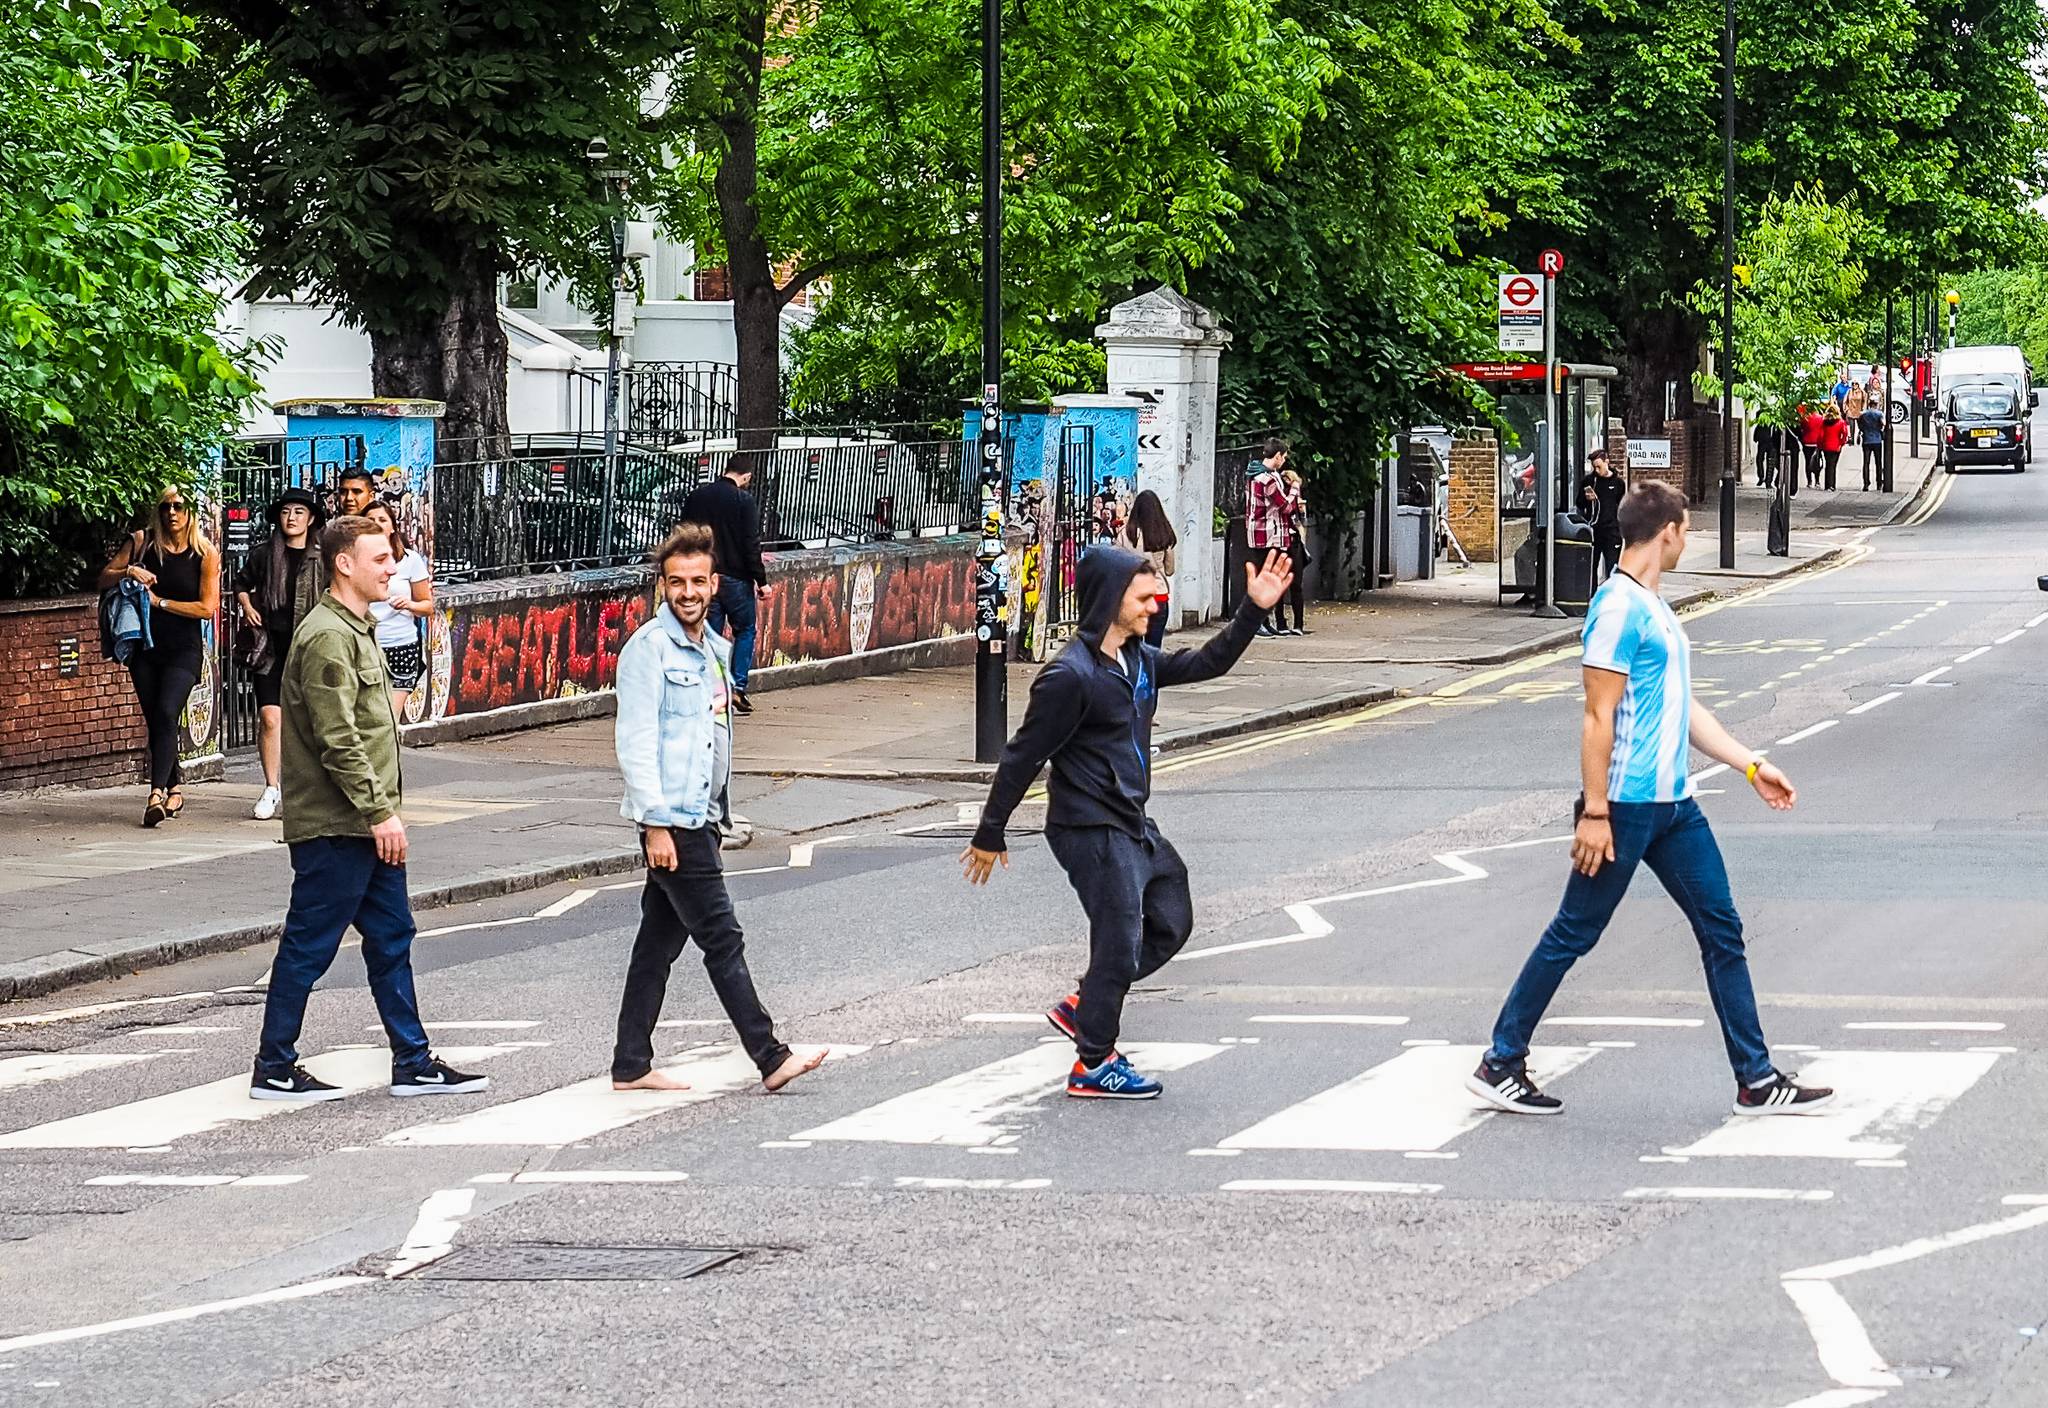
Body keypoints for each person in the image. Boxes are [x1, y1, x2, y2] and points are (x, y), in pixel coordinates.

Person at [1465, 481, 1833, 1118]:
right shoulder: (1617, 609)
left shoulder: (1655, 607)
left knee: (1723, 930)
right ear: (1666, 531)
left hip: (1675, 807)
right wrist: (1595, 811)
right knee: (1574, 932)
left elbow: (1681, 709)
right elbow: (1596, 717)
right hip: (1629, 806)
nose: (1687, 541)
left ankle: (1756, 1079)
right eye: (1686, 531)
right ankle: (1501, 1060)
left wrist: (1750, 765)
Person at [960, 545, 1297, 1100]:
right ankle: (1094, 1061)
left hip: (1132, 821)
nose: (1154, 604)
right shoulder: (1070, 677)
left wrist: (1253, 610)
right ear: (1112, 599)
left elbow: (1209, 662)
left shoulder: (1139, 660)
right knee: (1119, 940)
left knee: (1172, 915)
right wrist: (989, 832)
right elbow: (1023, 754)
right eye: (1143, 596)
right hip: (1088, 826)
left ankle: (1088, 1003)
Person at [250, 515, 488, 1102]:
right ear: (344, 564)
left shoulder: (357, 628)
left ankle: (413, 1061)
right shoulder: (328, 636)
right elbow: (339, 739)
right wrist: (381, 813)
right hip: (340, 826)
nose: (392, 568)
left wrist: (380, 815)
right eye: (380, 559)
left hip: (364, 823)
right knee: (309, 946)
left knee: (391, 937)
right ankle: (273, 1067)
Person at [610, 523, 825, 1095]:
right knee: (721, 937)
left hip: (700, 816)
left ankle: (630, 1063)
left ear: (714, 584)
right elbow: (635, 743)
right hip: (674, 822)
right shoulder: (647, 652)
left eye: (697, 581)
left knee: (658, 942)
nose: (687, 591)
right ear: (661, 586)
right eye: (676, 582)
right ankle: (770, 1054)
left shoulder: (712, 649)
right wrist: (654, 825)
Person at [98, 487, 220, 828]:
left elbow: (206, 608)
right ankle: (175, 787)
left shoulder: (205, 553)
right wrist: (128, 572)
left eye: (179, 506)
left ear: (190, 511)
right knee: (157, 718)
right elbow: (103, 578)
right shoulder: (142, 542)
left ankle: (155, 795)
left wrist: (159, 603)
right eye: (165, 506)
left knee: (167, 710)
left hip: (184, 648)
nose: (172, 513)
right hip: (145, 647)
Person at [234, 487, 325, 821]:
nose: (292, 518)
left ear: (310, 518)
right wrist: (246, 606)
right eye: (286, 512)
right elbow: (240, 584)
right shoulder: (264, 554)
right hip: (271, 649)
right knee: (271, 718)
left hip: (310, 649)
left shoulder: (322, 556)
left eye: (299, 512)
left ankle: (309, 789)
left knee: (309, 723)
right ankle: (272, 787)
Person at [680, 457, 770, 716]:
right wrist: (761, 582)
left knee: (712, 636)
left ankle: (712, 690)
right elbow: (750, 544)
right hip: (736, 578)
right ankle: (738, 686)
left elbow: (682, 534)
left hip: (705, 576)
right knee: (745, 630)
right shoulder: (743, 501)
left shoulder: (697, 497)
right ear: (747, 476)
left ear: (725, 469)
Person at [362, 500, 433, 718]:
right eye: (370, 520)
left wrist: (410, 604)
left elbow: (427, 606)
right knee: (368, 717)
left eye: (382, 520)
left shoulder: (409, 560)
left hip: (401, 645)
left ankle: (389, 752)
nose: (376, 524)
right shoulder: (355, 561)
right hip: (367, 646)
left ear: (393, 526)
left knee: (389, 719)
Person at [1117, 489, 1179, 648]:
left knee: (1132, 649)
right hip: (1158, 595)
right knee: (1153, 649)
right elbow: (1170, 570)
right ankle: (1150, 673)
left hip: (1133, 595)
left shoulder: (1126, 534)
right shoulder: (1164, 534)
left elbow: (1116, 564)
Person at [1246, 439, 1290, 636]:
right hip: (1268, 534)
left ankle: (1264, 621)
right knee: (1267, 578)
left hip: (1257, 532)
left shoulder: (1254, 474)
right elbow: (1286, 506)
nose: (1284, 461)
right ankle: (1258, 622)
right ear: (1278, 456)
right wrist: (1295, 487)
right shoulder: (1268, 480)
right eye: (1284, 457)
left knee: (1263, 576)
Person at [1273, 468, 1311, 636]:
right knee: (1282, 586)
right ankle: (1282, 622)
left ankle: (1297, 624)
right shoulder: (1282, 496)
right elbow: (1285, 508)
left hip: (1293, 542)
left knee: (1295, 585)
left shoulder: (1297, 500)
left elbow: (1301, 522)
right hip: (1281, 542)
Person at [1580, 449, 1625, 582]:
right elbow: (1579, 503)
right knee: (1591, 567)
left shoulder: (1618, 483)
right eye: (1594, 467)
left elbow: (1621, 506)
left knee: (1612, 567)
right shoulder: (1589, 481)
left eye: (1599, 466)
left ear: (1607, 462)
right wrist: (1586, 498)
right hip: (1594, 530)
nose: (1597, 470)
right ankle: (1592, 597)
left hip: (1611, 531)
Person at [1857, 396, 1886, 490]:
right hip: (1877, 440)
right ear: (1876, 404)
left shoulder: (1863, 414)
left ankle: (1866, 483)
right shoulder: (1879, 414)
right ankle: (1879, 483)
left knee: (1866, 463)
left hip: (1866, 440)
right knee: (1878, 462)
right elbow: (1883, 424)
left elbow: (1860, 425)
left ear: (1869, 404)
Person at [1820, 402, 1851, 490]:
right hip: (1836, 446)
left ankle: (1827, 485)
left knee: (1828, 464)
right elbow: (1844, 434)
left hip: (1826, 446)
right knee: (1833, 465)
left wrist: (1821, 445)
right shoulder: (1841, 422)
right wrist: (1841, 443)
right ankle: (1832, 485)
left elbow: (1821, 435)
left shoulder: (1824, 422)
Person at [1799, 403, 1825, 488]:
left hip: (1806, 442)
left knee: (1807, 462)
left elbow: (1801, 429)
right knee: (1816, 462)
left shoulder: (1805, 418)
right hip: (1817, 443)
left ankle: (1809, 481)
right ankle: (1817, 481)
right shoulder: (1820, 418)